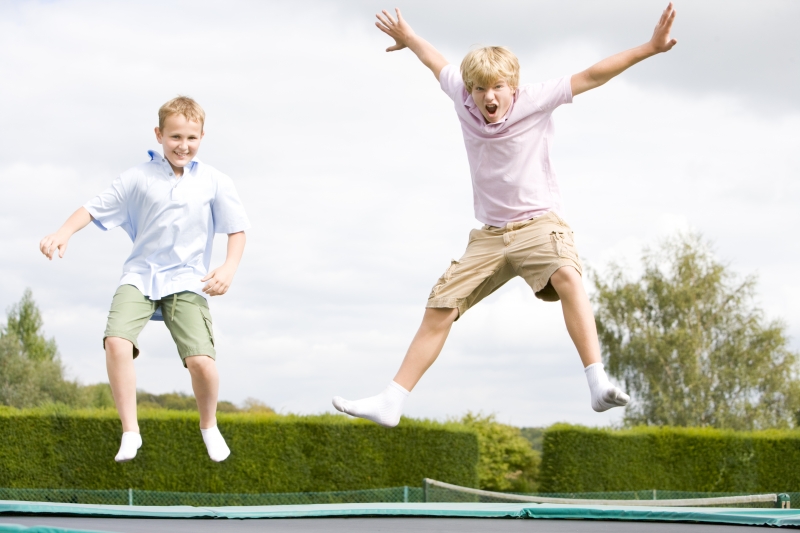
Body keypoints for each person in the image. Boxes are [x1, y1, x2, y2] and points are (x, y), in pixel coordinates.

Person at [333, 5, 678, 427]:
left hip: (538, 224)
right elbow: (434, 60)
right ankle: (392, 400)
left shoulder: (536, 98)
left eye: (497, 87)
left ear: (513, 86)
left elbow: (592, 74)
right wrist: (409, 38)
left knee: (568, 275)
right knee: (440, 307)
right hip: (489, 236)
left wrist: (650, 47)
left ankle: (597, 382)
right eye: (480, 89)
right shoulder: (462, 96)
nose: (488, 98)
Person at [39, 96, 250, 462]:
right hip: (140, 275)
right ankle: (131, 432)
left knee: (202, 361)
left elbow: (237, 229)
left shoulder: (215, 181)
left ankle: (209, 424)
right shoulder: (137, 177)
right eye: (175, 137)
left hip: (187, 280)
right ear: (159, 135)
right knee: (116, 342)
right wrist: (63, 232)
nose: (182, 145)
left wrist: (229, 267)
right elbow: (92, 207)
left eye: (191, 138)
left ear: (201, 137)